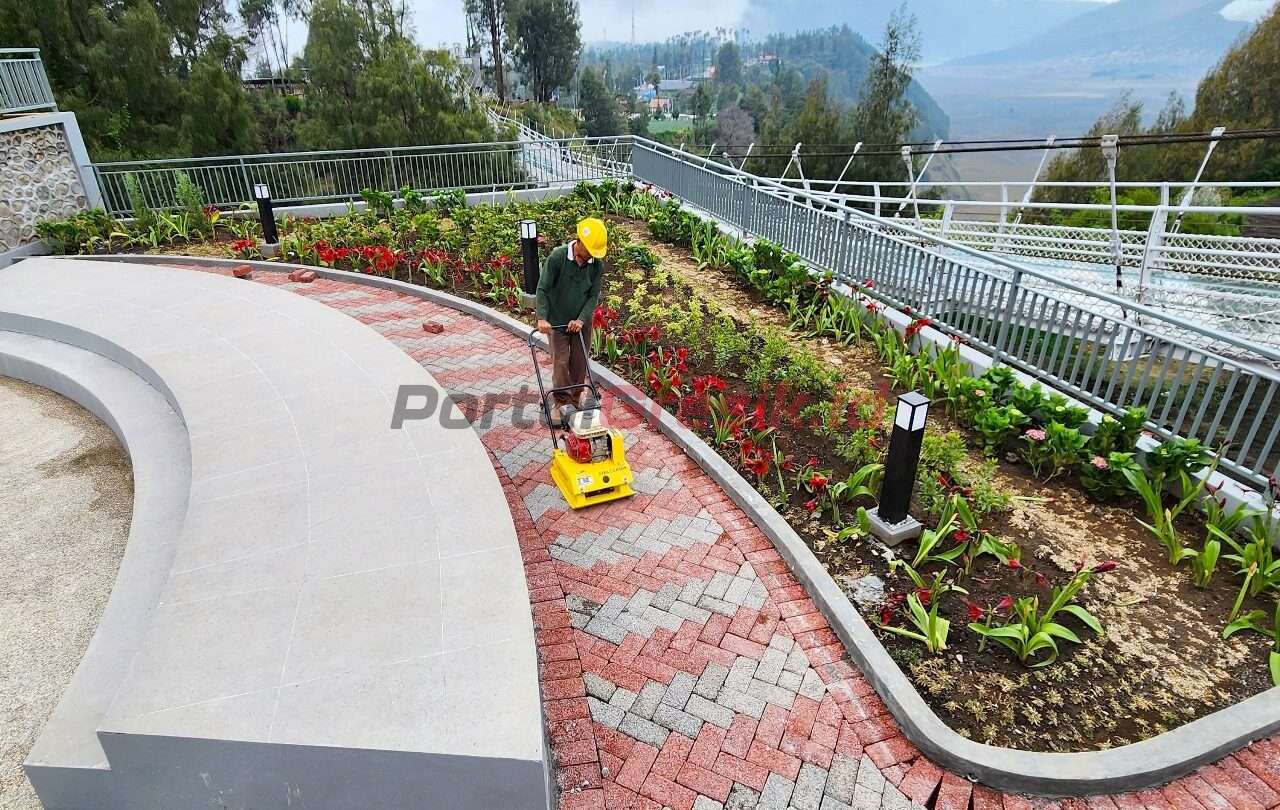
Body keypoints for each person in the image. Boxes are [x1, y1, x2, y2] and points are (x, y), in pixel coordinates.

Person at [536, 217, 608, 422]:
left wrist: (581, 319)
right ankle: (561, 402)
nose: (592, 256)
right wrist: (542, 317)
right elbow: (543, 288)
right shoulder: (558, 257)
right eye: (590, 251)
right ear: (579, 242)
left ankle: (576, 399)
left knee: (579, 362)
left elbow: (593, 296)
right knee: (560, 362)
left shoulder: (596, 265)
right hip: (557, 321)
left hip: (580, 322)